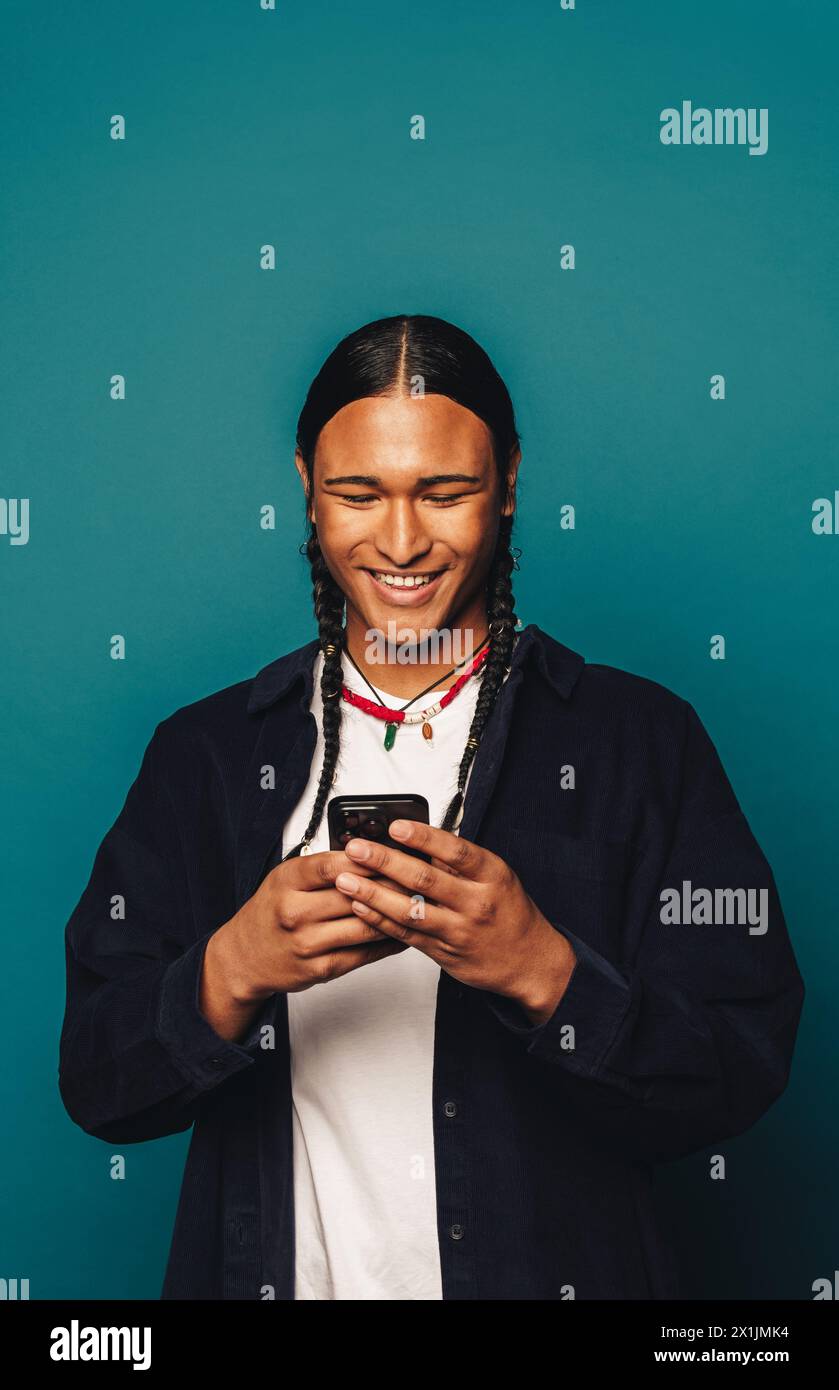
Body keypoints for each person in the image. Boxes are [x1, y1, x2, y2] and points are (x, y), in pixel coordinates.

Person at [58, 314, 805, 1301]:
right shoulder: (205, 755)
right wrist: (233, 967)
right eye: (356, 493)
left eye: (443, 491)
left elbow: (737, 1068)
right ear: (303, 487)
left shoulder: (636, 740)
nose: (401, 540)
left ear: (507, 483)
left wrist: (543, 970)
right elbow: (99, 1082)